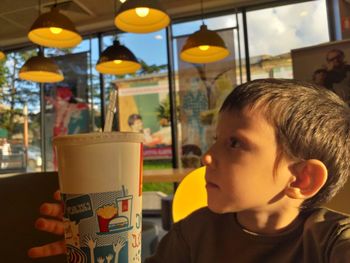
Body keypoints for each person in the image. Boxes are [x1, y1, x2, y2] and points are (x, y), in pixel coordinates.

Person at [28, 79, 350, 262]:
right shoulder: (193, 233)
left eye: (234, 143)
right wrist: (102, 251)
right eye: (215, 140)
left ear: (302, 178)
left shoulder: (331, 241)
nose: (207, 157)